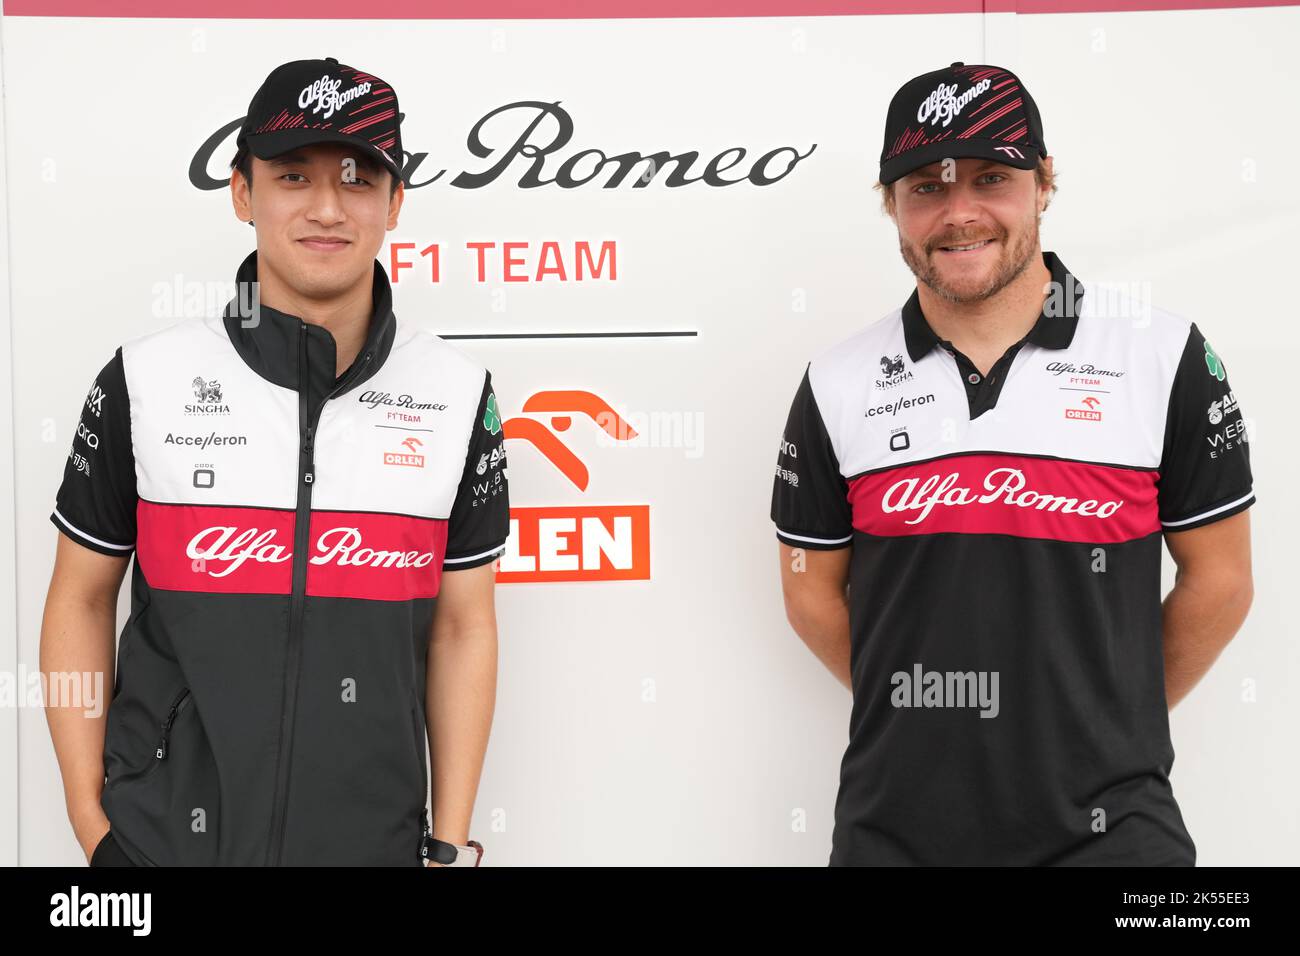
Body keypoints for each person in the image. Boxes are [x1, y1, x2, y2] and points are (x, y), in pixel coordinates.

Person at [771, 62, 1255, 865]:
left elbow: (1223, 580)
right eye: (926, 186)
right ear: (891, 205)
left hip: (1116, 837)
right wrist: (928, 713)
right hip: (894, 832)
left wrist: (1106, 721)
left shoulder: (1164, 355)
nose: (960, 213)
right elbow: (810, 594)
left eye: (992, 177)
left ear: (1044, 182)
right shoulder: (837, 382)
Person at [41, 56, 508, 866]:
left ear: (396, 202)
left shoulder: (457, 396)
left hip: (374, 849)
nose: (327, 207)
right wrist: (96, 828)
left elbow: (465, 627)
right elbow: (80, 600)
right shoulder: (145, 381)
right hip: (164, 851)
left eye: (359, 180)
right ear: (242, 192)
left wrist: (445, 847)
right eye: (294, 176)